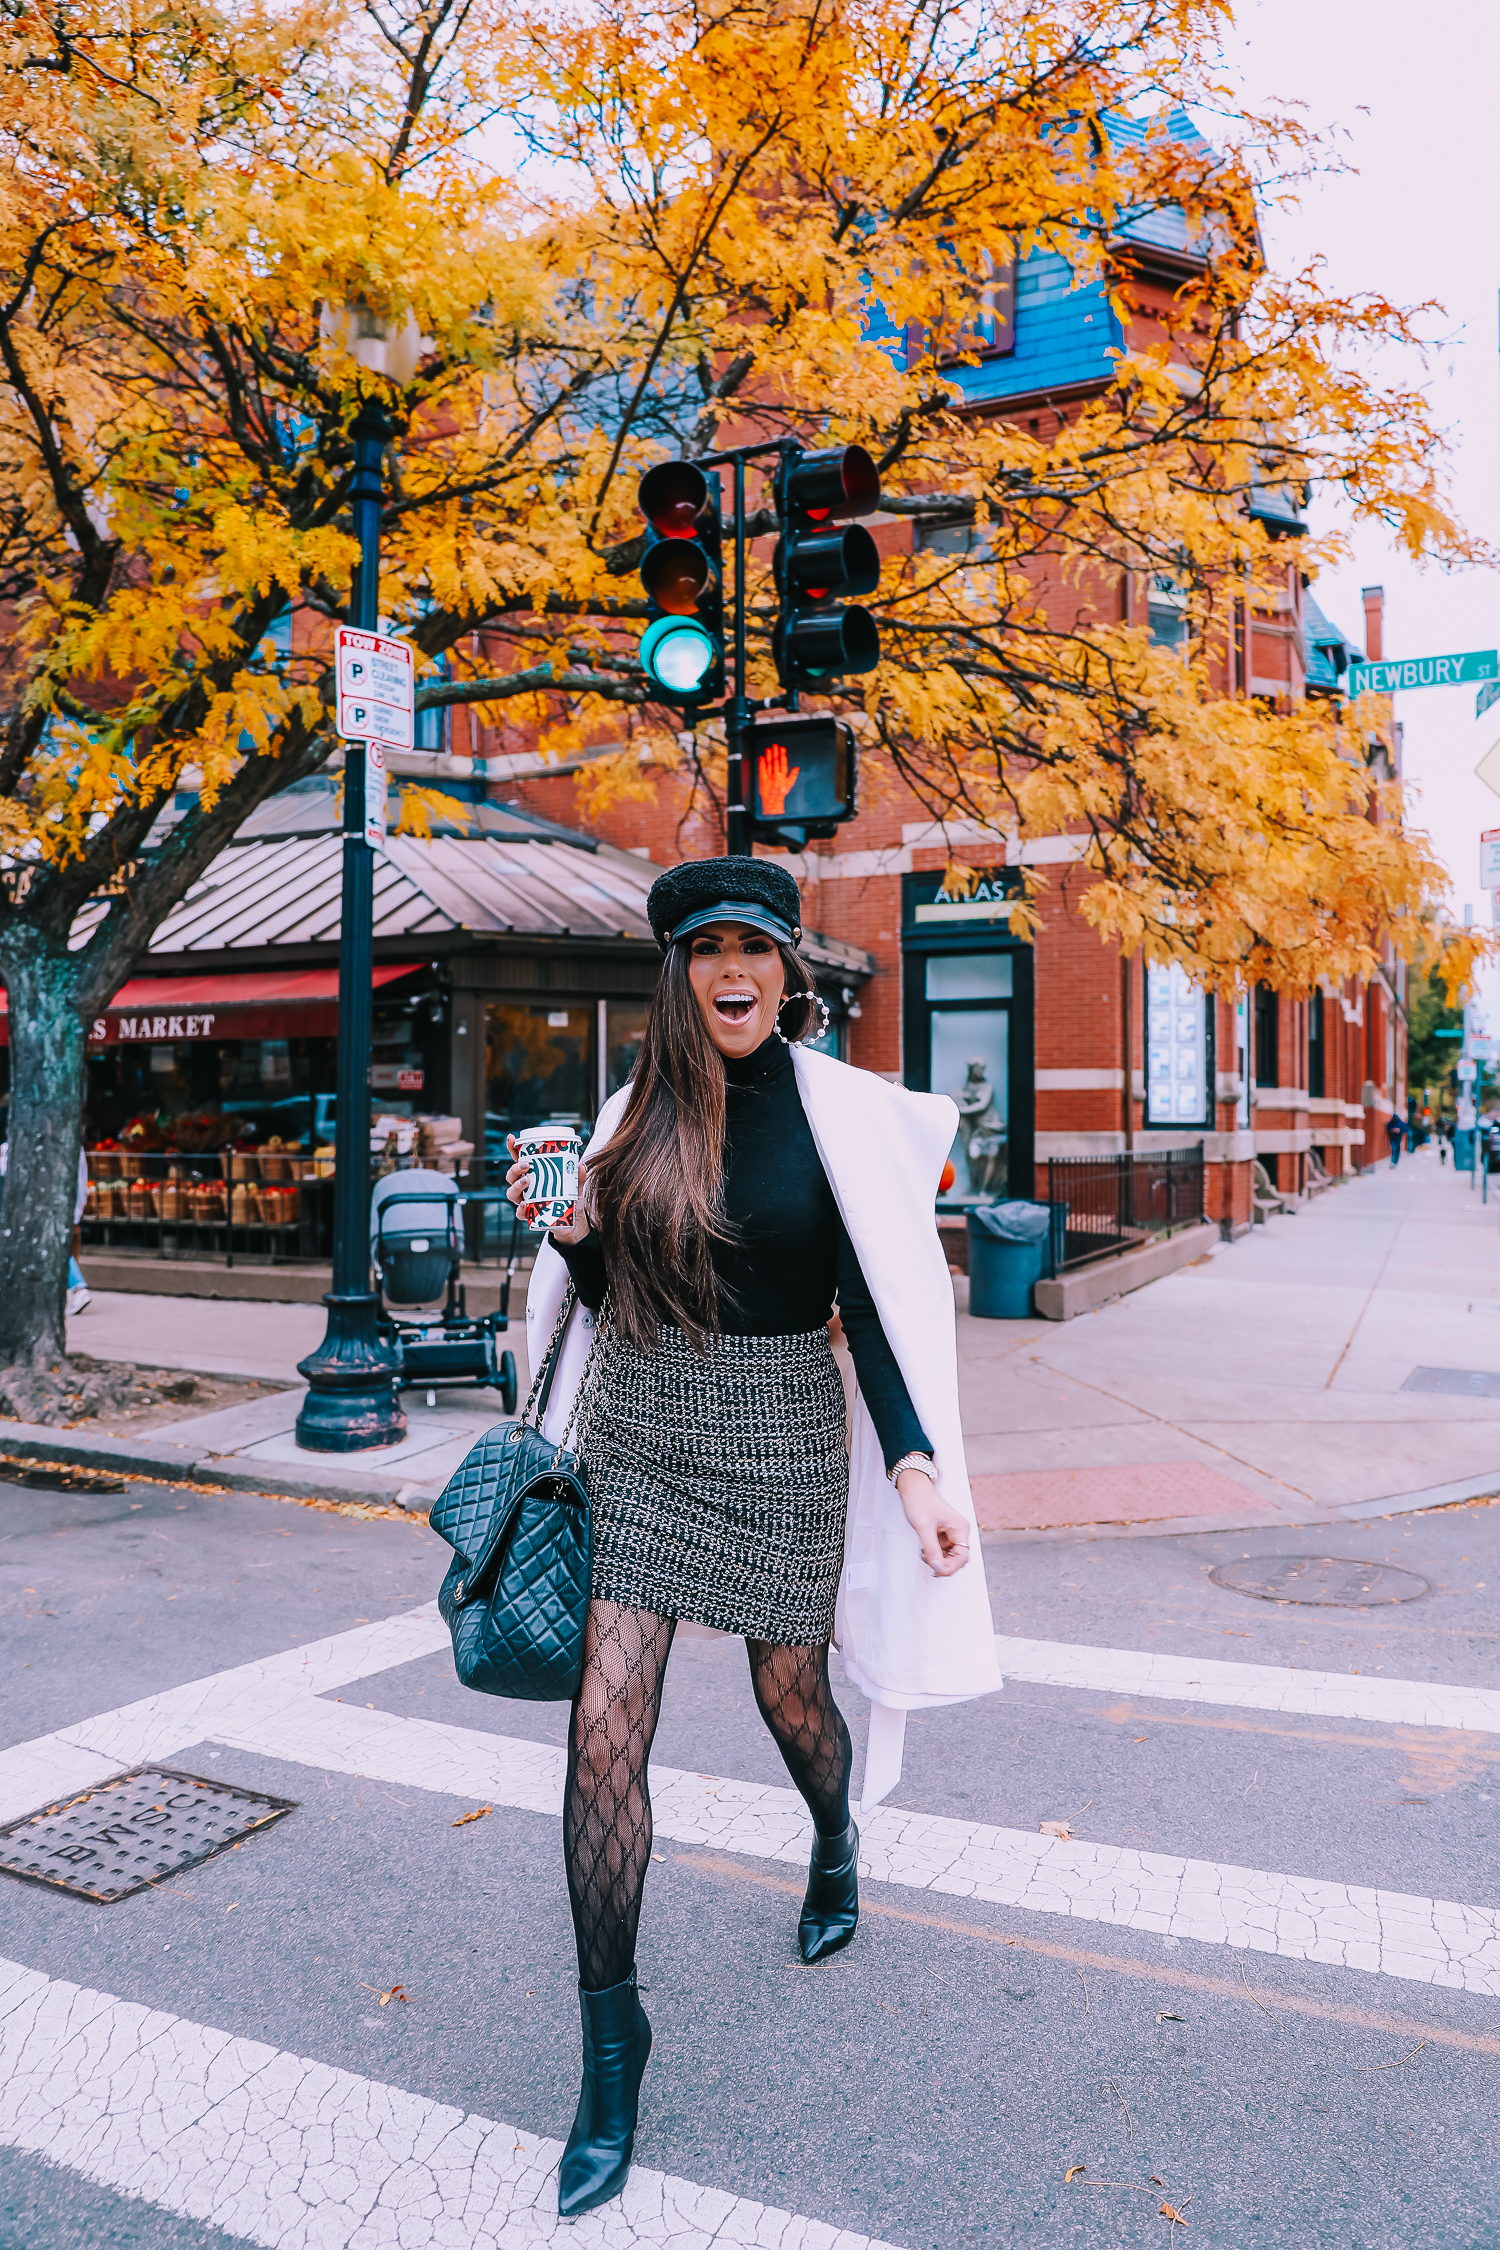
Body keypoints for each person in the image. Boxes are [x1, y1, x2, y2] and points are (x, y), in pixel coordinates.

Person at [508, 857, 1000, 2219]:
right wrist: (570, 1228)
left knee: (790, 1693)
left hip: (784, 1423)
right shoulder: (634, 1108)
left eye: (755, 947)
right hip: (645, 1421)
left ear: (790, 969)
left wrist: (911, 1464)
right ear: (676, 968)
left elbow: (875, 1298)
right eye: (707, 947)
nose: (733, 968)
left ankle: (835, 1831)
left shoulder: (833, 1116)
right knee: (605, 1727)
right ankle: (612, 2049)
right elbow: (602, 1293)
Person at [0, 1135, 90, 1312]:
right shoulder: (67, 1141)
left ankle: (78, 1288)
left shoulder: (33, 1140)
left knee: (49, 1247)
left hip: (44, 1207)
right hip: (58, 1205)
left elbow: (8, 1169)